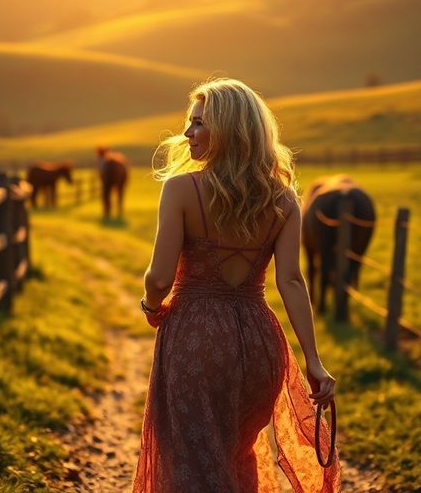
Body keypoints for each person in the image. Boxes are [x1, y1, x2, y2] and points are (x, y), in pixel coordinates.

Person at [133, 79, 341, 492]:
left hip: (194, 335)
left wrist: (152, 306)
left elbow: (159, 277)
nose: (187, 133)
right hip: (259, 345)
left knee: (191, 459)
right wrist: (313, 362)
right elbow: (292, 282)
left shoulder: (181, 190)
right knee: (237, 451)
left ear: (226, 130)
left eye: (197, 124)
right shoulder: (284, 200)